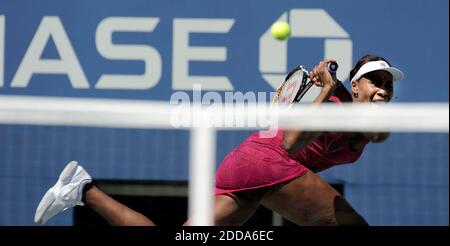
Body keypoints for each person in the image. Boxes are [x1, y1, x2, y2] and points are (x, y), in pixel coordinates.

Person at [34, 54, 404, 226]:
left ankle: (83, 190)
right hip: (268, 161)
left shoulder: (366, 118)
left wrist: (329, 93)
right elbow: (291, 143)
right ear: (355, 84)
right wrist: (324, 91)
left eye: (388, 84)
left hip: (248, 167)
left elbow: (377, 131)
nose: (383, 89)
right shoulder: (336, 101)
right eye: (376, 81)